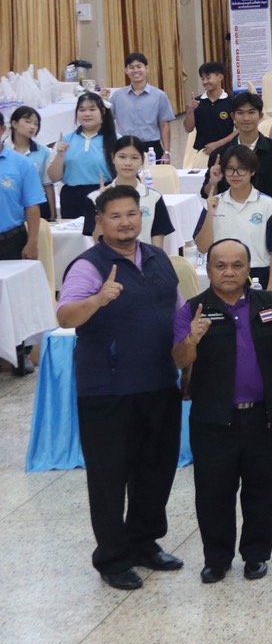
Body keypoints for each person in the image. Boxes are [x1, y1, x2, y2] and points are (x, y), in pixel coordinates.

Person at [56, 186, 185, 589]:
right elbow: (65, 316)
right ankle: (112, 558)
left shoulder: (159, 258)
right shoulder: (88, 265)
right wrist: (97, 300)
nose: (126, 222)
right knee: (110, 477)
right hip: (108, 389)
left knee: (156, 469)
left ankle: (144, 542)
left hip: (159, 381)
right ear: (100, 222)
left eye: (132, 214)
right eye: (116, 216)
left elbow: (179, 312)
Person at [173, 237, 272, 584]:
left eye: (237, 265)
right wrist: (192, 339)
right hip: (213, 419)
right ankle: (216, 558)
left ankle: (256, 555)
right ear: (209, 270)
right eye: (220, 265)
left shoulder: (267, 303)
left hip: (262, 416)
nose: (229, 272)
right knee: (213, 492)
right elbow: (179, 360)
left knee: (261, 490)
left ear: (248, 269)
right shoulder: (193, 310)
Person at [195, 145, 272, 292]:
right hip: (222, 275)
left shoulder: (267, 205)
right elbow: (202, 247)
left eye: (241, 169)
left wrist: (271, 288)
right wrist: (210, 214)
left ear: (252, 171)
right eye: (230, 169)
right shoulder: (213, 203)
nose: (235, 174)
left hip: (259, 276)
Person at [0, 111, 46, 372]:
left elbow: (32, 205)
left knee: (16, 299)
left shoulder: (20, 164)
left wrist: (33, 241)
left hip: (12, 238)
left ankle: (21, 352)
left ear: (2, 130)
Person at [209, 92, 272, 223]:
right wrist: (213, 181)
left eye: (251, 112)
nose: (246, 118)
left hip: (268, 221)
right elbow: (208, 194)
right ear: (233, 116)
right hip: (229, 221)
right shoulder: (219, 154)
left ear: (260, 115)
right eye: (240, 113)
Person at [83, 136, 175, 247]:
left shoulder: (154, 198)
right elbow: (97, 242)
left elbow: (157, 244)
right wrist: (101, 205)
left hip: (145, 257)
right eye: (122, 157)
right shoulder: (94, 198)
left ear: (142, 160)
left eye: (134, 158)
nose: (128, 163)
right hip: (108, 258)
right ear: (113, 157)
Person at [47, 91, 116, 220]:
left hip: (104, 194)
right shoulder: (66, 139)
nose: (87, 114)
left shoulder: (115, 139)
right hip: (72, 198)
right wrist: (60, 155)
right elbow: (54, 177)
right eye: (82, 110)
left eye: (92, 109)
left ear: (102, 112)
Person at [110, 52, 176, 162]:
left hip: (151, 148)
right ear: (126, 71)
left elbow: (164, 125)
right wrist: (103, 100)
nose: (135, 70)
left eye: (139, 66)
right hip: (125, 146)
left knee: (153, 173)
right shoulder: (117, 96)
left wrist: (166, 152)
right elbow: (105, 119)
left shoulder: (159, 95)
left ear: (147, 69)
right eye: (131, 67)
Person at [6, 105, 55, 221]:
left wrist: (53, 214)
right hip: (8, 204)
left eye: (36, 124)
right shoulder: (4, 150)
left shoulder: (43, 151)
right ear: (14, 124)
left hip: (37, 204)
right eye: (28, 122)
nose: (33, 127)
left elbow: (47, 184)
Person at [183, 61, 235, 159]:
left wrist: (218, 144)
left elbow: (239, 130)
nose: (205, 82)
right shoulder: (197, 102)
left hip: (227, 152)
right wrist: (190, 111)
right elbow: (188, 129)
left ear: (220, 77)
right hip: (203, 152)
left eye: (208, 78)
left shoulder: (231, 101)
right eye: (202, 79)